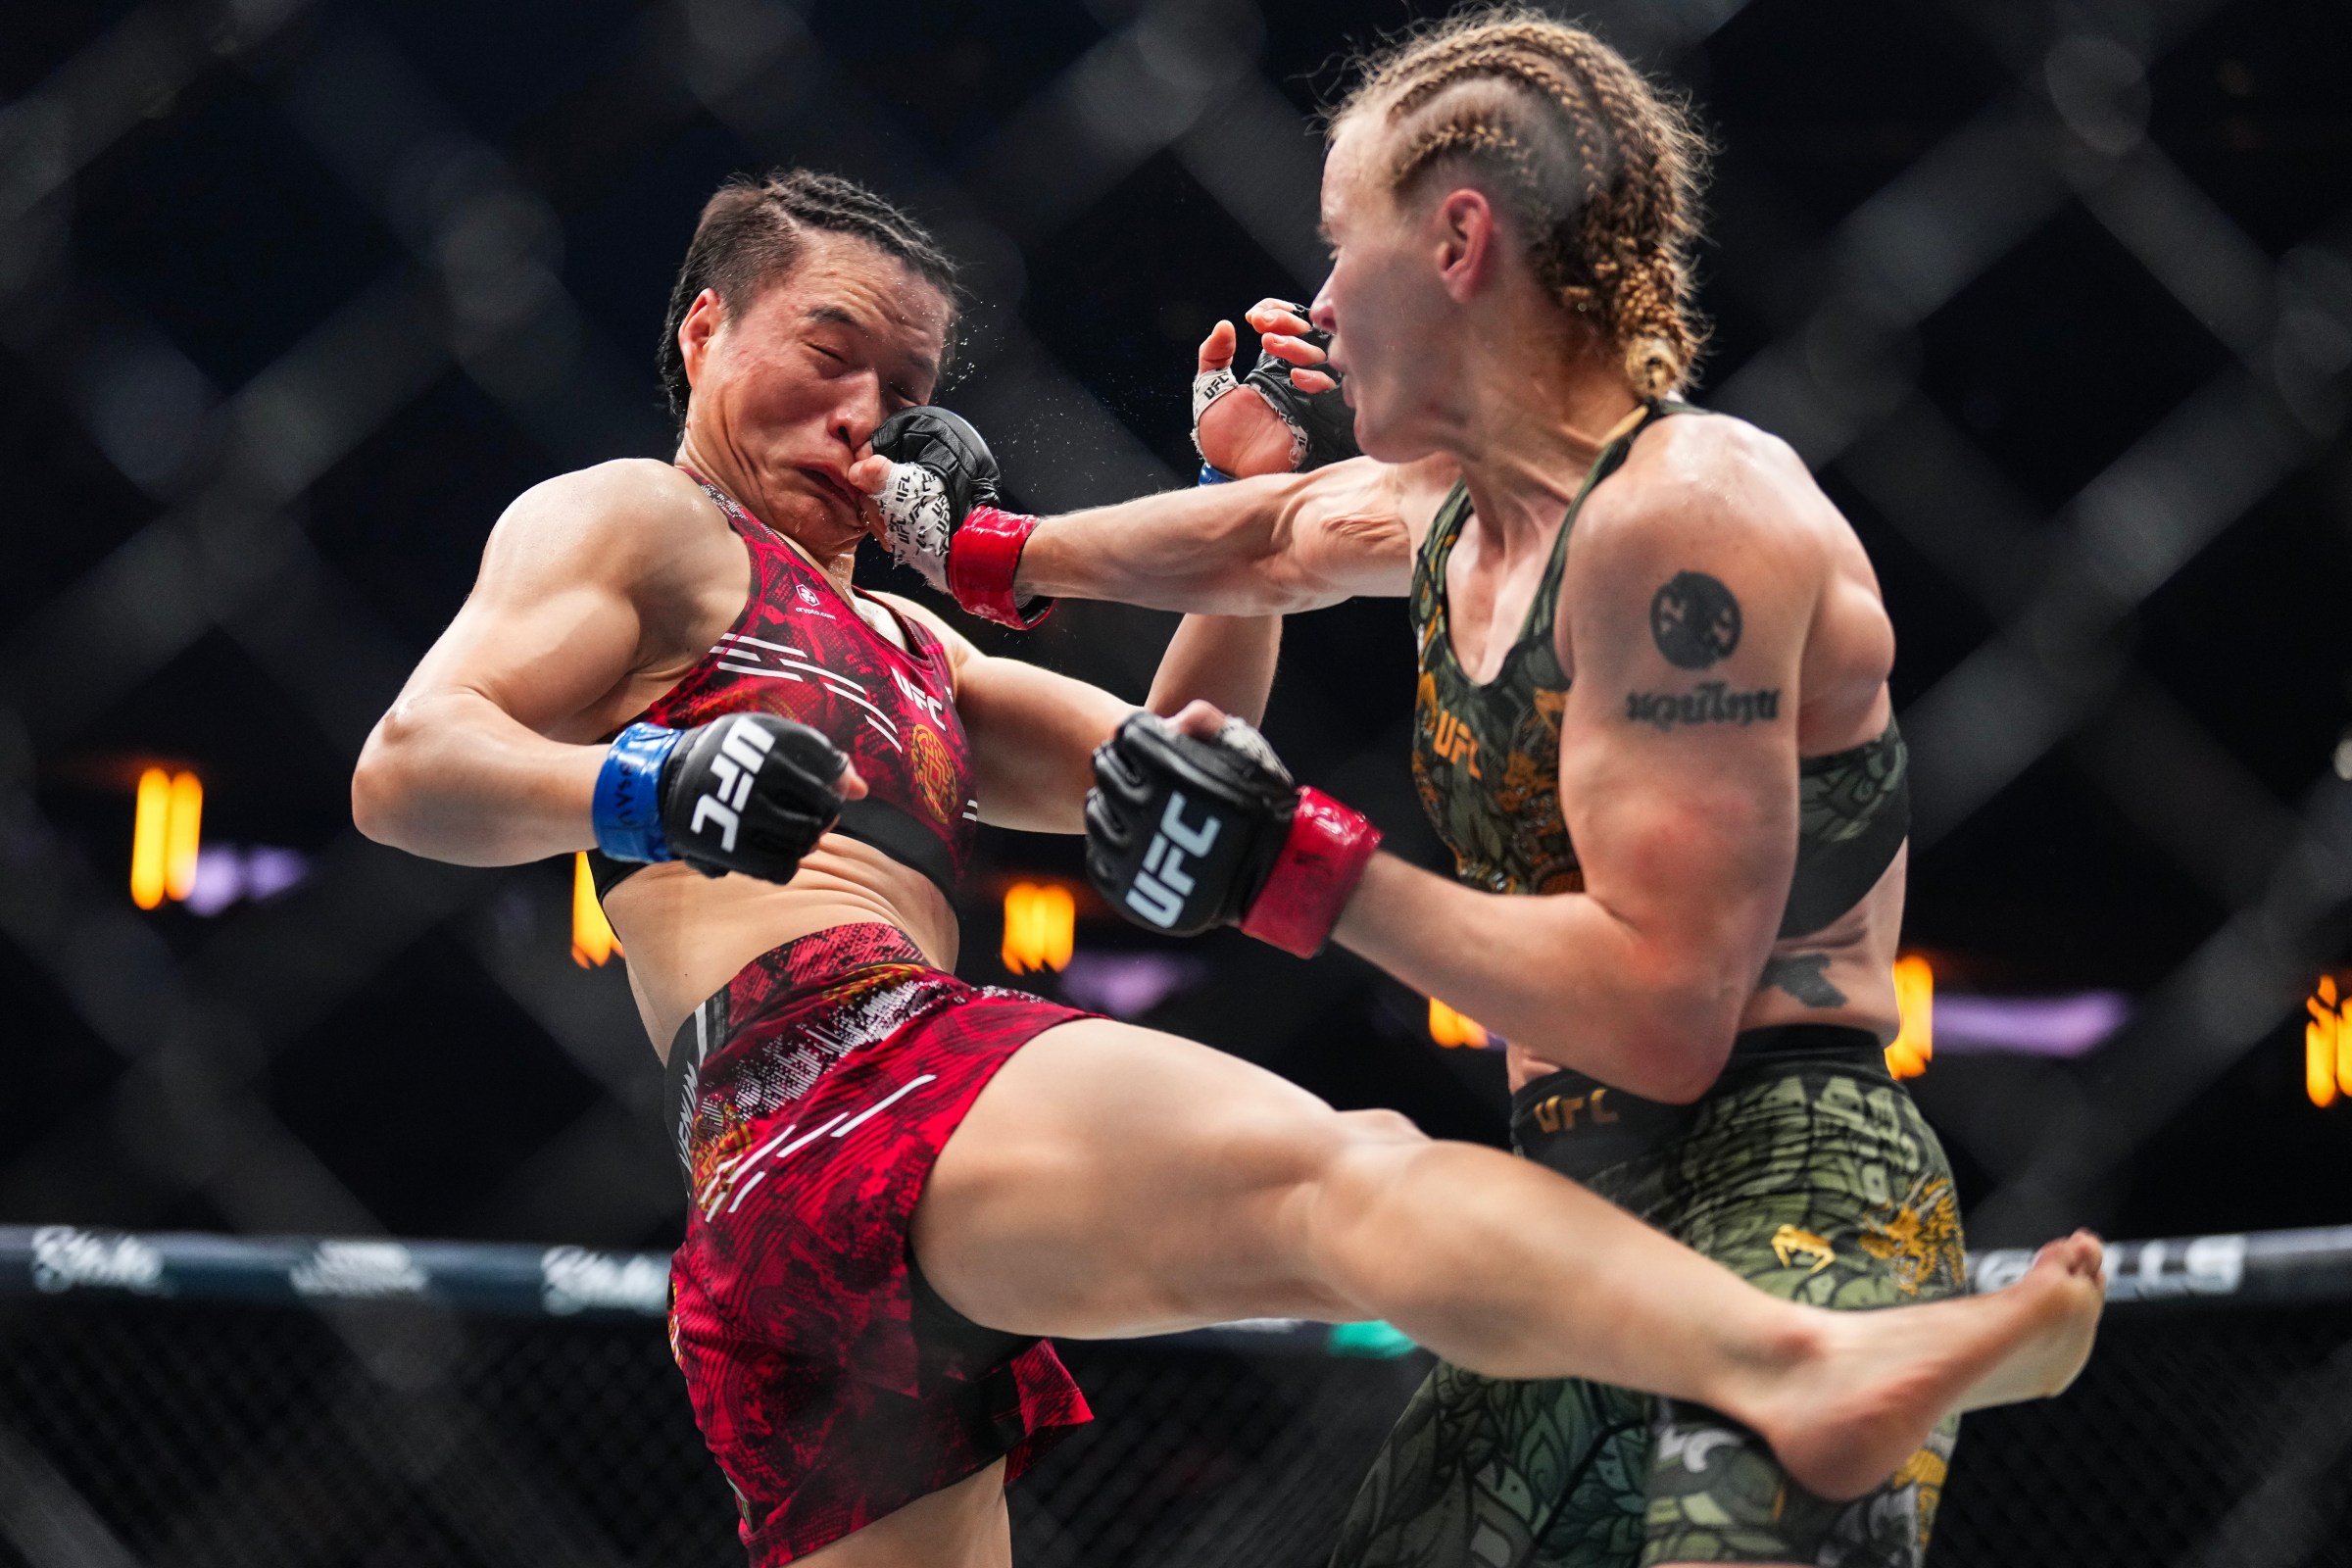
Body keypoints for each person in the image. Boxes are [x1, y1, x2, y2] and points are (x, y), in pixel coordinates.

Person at [354, 168, 2101, 1568]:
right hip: (857, 1067)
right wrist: (647, 786)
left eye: (907, 383)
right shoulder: (636, 522)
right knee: (1345, 1179)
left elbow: (1171, 776)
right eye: (829, 351)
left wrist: (1239, 496)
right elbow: (410, 765)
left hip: (784, 1212)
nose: (867, 411)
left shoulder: (904, 638)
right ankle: (1795, 1364)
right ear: (705, 327)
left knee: (1339, 1188)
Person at [856, 13, 2060, 1568]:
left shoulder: (1683, 516)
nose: (1322, 308)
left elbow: (1664, 1013)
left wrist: (1303, 865)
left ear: (1459, 240)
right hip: (1565, 1211)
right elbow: (1272, 539)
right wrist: (983, 551)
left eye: (1342, 251)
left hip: (1780, 1181)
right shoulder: (1465, 514)